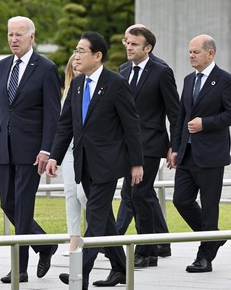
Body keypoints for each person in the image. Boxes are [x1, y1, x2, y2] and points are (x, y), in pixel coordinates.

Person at [46, 31, 144, 289]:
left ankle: (81, 271)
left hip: (109, 163)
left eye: (81, 51)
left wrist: (136, 162)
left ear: (97, 56)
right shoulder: (77, 84)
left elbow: (131, 125)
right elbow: (65, 125)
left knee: (97, 215)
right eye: (76, 50)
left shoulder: (116, 83)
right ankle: (122, 269)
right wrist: (54, 157)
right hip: (84, 163)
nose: (76, 56)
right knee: (105, 220)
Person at [0, 16, 60, 283]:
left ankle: (20, 268)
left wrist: (47, 149)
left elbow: (53, 115)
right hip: (5, 148)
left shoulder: (46, 68)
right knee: (7, 203)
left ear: (32, 38)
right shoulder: (2, 67)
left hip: (32, 151)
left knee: (24, 208)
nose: (13, 39)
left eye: (19, 35)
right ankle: (45, 244)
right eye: (10, 34)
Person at [117, 25, 179, 268]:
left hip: (151, 144)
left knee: (139, 194)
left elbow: (175, 112)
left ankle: (146, 251)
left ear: (148, 48)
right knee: (135, 195)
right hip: (125, 145)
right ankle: (156, 246)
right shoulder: (122, 70)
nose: (128, 47)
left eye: (133, 44)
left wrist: (174, 146)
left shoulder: (162, 72)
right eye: (127, 42)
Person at [169, 34, 231, 273]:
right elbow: (181, 117)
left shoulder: (224, 80)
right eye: (190, 51)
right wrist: (175, 147)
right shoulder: (188, 79)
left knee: (209, 207)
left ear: (210, 53)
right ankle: (212, 238)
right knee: (180, 200)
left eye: (196, 52)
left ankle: (204, 257)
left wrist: (206, 123)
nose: (191, 56)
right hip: (187, 153)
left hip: (211, 155)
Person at [61, 54, 87, 256]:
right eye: (74, 67)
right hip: (68, 150)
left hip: (87, 150)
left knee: (83, 194)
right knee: (71, 194)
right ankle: (74, 239)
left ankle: (98, 233)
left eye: (80, 65)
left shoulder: (93, 88)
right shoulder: (67, 92)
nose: (78, 70)